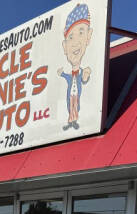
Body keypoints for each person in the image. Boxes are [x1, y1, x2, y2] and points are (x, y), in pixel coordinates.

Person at [58, 3, 93, 131]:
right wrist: (61, 73)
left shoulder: (82, 72)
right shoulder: (70, 75)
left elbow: (84, 79)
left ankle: (75, 120)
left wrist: (86, 76)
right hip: (71, 94)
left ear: (89, 36)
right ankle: (70, 121)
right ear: (64, 46)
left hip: (76, 94)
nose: (75, 43)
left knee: (76, 105)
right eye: (71, 37)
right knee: (70, 104)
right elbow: (67, 77)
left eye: (81, 33)